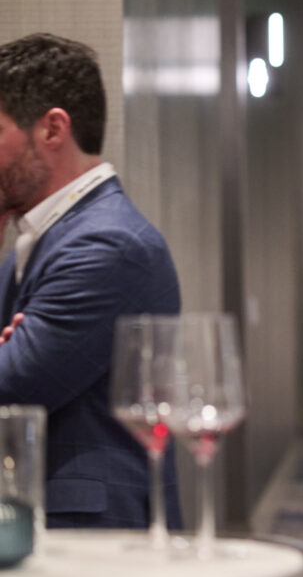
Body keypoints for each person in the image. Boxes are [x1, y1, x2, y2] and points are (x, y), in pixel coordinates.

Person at [0, 33, 182, 529]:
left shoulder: (107, 243)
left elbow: (11, 389)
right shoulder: (43, 236)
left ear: (52, 129)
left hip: (93, 532)